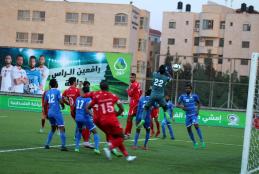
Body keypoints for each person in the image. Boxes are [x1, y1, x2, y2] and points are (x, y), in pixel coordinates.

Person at [87, 80, 136, 162]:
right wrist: (116, 114)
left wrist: (95, 114)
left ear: (100, 87)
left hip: (103, 121)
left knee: (116, 137)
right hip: (112, 120)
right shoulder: (113, 96)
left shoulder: (97, 96)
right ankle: (109, 147)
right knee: (122, 137)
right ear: (108, 87)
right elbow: (121, 108)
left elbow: (88, 107)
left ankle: (127, 157)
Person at [62, 77, 92, 148]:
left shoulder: (67, 90)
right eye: (76, 82)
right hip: (78, 110)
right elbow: (83, 96)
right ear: (74, 82)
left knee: (80, 124)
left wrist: (68, 103)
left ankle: (81, 138)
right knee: (84, 124)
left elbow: (63, 98)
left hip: (72, 110)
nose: (77, 83)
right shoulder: (77, 90)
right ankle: (85, 140)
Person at [177, 83, 205, 149]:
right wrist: (182, 107)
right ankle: (195, 142)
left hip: (193, 114)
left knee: (196, 125)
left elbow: (198, 103)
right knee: (189, 129)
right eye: (186, 88)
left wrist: (198, 110)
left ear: (191, 89)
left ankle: (202, 141)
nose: (187, 89)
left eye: (189, 88)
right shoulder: (182, 96)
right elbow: (177, 104)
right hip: (187, 116)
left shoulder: (195, 96)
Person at [43, 78, 67, 151]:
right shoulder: (58, 91)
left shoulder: (47, 92)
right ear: (56, 84)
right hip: (56, 112)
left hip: (50, 112)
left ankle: (47, 144)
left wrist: (46, 113)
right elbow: (60, 100)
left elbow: (44, 104)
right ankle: (63, 146)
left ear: (50, 85)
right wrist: (63, 105)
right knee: (62, 128)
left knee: (53, 128)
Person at [74, 87, 100, 154]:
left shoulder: (77, 98)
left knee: (79, 131)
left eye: (81, 91)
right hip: (85, 118)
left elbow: (74, 107)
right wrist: (93, 115)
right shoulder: (88, 99)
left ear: (84, 92)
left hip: (77, 117)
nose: (80, 92)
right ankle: (97, 149)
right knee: (95, 132)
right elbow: (87, 109)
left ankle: (76, 148)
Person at [124, 73, 142, 139]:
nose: (130, 79)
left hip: (134, 104)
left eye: (132, 77)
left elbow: (130, 94)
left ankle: (127, 134)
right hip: (137, 103)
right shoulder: (138, 84)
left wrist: (127, 90)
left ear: (135, 78)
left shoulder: (133, 85)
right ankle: (138, 133)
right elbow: (141, 92)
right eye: (130, 77)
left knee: (129, 119)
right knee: (137, 120)